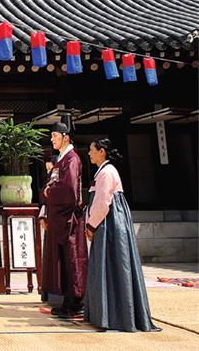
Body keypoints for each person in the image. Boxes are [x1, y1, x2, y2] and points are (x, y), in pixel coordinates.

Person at [85, 138, 154, 331]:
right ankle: (107, 315)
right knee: (106, 266)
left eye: (92, 150)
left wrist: (91, 225)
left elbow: (103, 201)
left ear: (102, 152)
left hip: (110, 224)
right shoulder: (103, 171)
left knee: (113, 265)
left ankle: (115, 316)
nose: (89, 153)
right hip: (107, 222)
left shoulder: (107, 172)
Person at [41, 115, 88, 317]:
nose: (52, 140)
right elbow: (52, 184)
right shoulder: (62, 160)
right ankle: (68, 301)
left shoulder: (72, 159)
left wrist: (48, 192)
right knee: (65, 260)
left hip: (70, 219)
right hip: (60, 218)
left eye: (54, 136)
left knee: (73, 259)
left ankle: (77, 303)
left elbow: (67, 190)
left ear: (65, 137)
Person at [39, 154, 58, 302]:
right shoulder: (50, 181)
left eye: (50, 169)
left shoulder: (61, 180)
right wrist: (42, 218)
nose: (48, 173)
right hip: (49, 219)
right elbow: (45, 201)